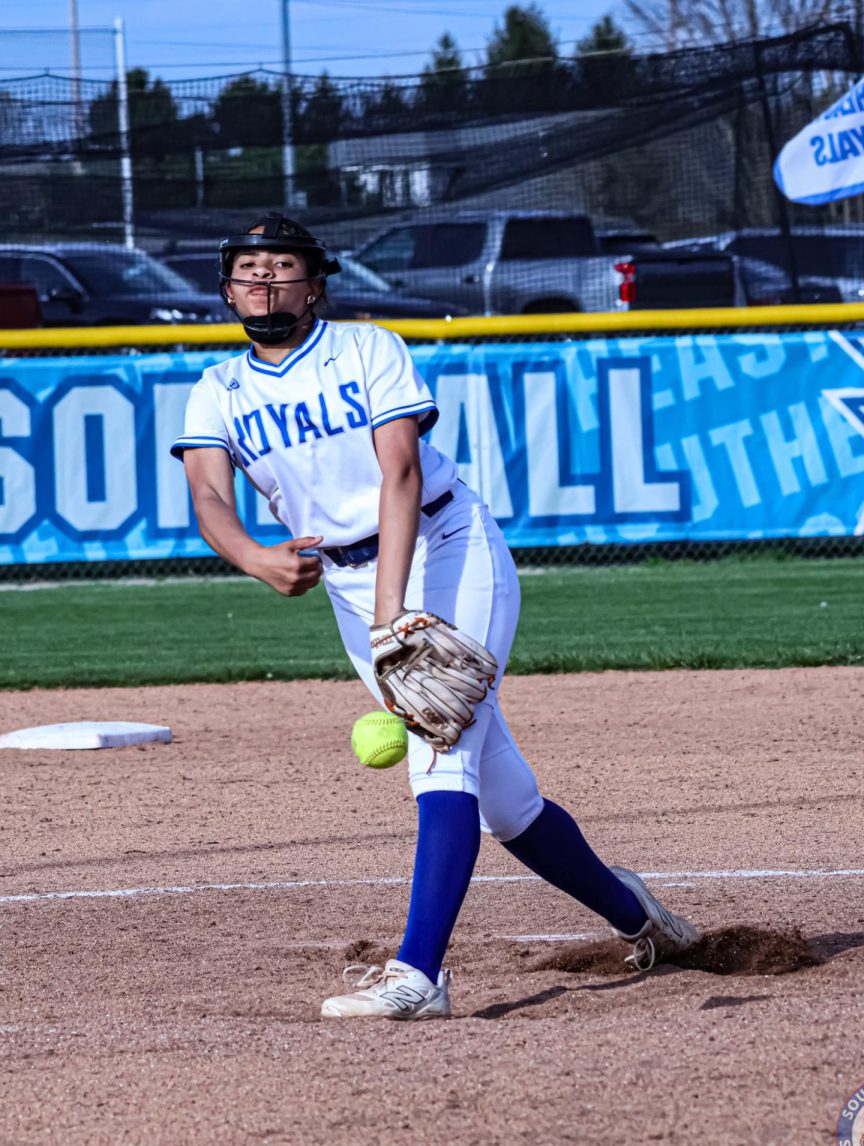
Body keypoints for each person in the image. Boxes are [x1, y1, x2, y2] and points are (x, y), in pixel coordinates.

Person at [171, 212, 699, 1021]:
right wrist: (253, 555)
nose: (264, 279)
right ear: (226, 286)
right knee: (508, 804)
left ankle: (420, 975)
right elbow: (207, 492)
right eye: (248, 267)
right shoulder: (219, 389)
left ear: (315, 283)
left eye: (282, 265)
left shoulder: (366, 348)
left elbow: (404, 474)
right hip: (353, 588)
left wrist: (396, 613)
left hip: (447, 548)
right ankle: (641, 918)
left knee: (437, 746)